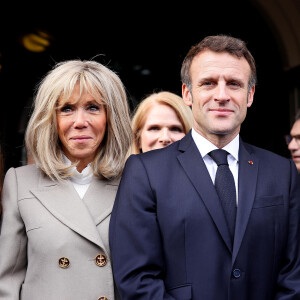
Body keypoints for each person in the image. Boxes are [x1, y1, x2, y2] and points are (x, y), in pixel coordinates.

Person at [109, 35, 300, 300]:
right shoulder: (145, 172)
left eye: (234, 84)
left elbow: (294, 274)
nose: (221, 95)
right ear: (187, 93)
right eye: (208, 83)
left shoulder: (283, 173)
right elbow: (136, 279)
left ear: (250, 95)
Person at [0, 59, 132, 299]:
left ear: (111, 117)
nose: (80, 122)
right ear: (51, 118)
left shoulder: (136, 181)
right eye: (67, 109)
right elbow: (7, 282)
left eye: (93, 107)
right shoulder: (20, 183)